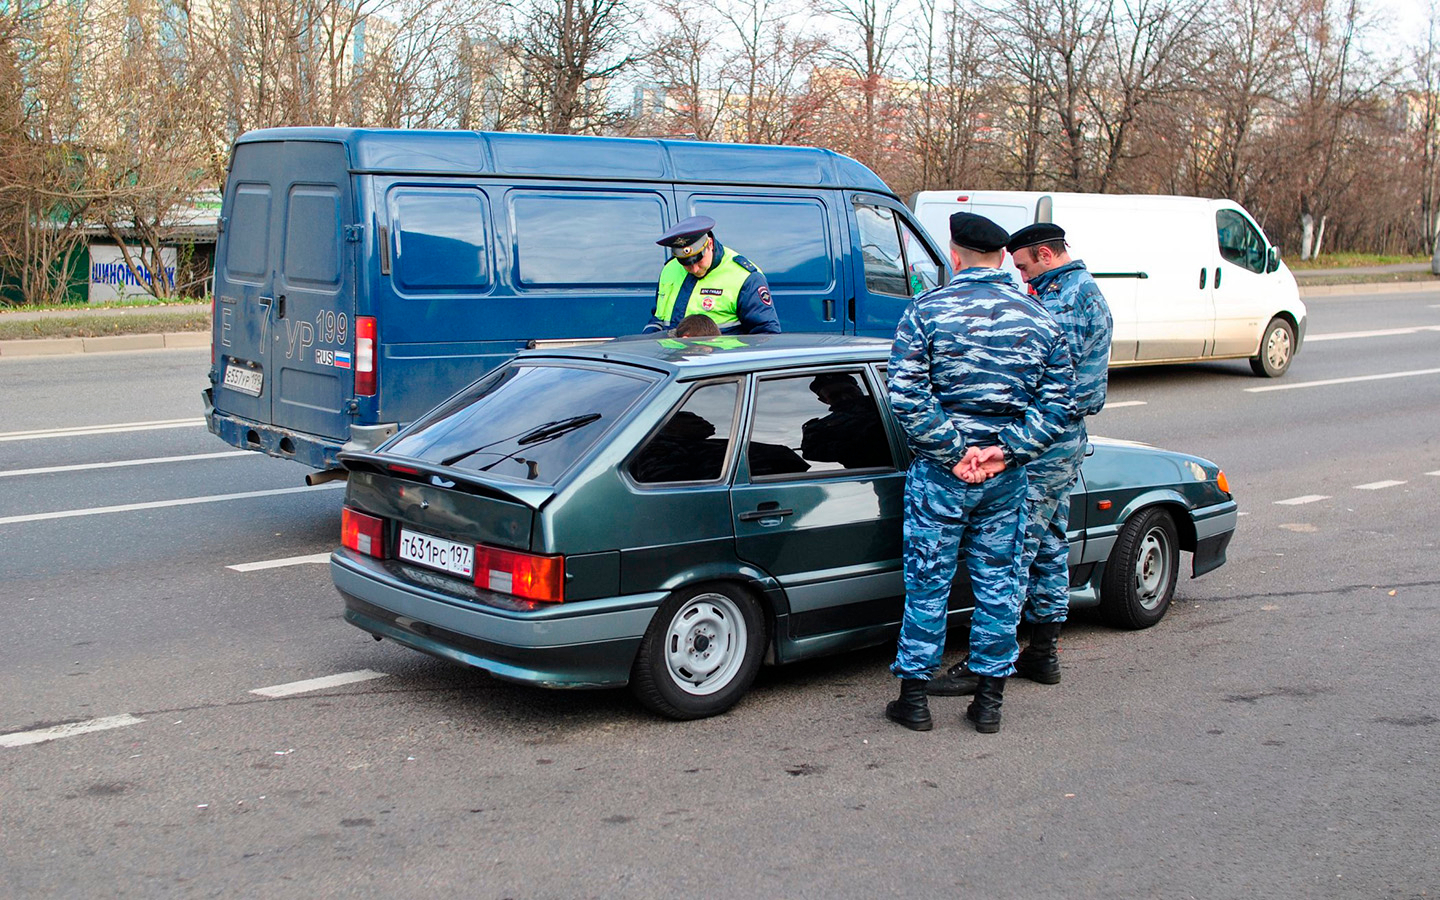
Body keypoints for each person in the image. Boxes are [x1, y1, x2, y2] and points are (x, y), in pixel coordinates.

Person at [885, 212, 1076, 735]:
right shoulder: (1040, 319)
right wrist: (1004, 453)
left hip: (941, 477)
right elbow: (1059, 405)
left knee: (929, 582)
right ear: (1001, 259)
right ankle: (989, 703)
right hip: (1004, 479)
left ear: (955, 254)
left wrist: (952, 452)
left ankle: (915, 701)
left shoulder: (926, 311)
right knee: (1000, 585)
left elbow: (905, 395)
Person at [927, 222, 1113, 697]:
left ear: (1046, 255)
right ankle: (1043, 651)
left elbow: (1048, 386)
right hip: (1060, 440)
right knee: (1049, 543)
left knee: (1010, 555)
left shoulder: (1064, 301)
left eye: (1025, 264)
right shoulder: (1075, 291)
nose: (1020, 273)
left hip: (1042, 442)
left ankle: (988, 662)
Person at [644, 216, 781, 335]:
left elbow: (766, 334)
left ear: (709, 244)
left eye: (698, 260)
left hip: (718, 363)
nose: (694, 268)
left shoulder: (744, 276)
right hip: (674, 361)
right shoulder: (670, 269)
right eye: (685, 263)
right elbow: (658, 318)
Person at [800, 373, 891, 470]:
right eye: (834, 396)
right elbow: (810, 452)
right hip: (876, 474)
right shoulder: (820, 427)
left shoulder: (888, 406)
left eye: (849, 391)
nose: (845, 397)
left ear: (858, 388)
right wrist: (859, 443)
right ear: (823, 400)